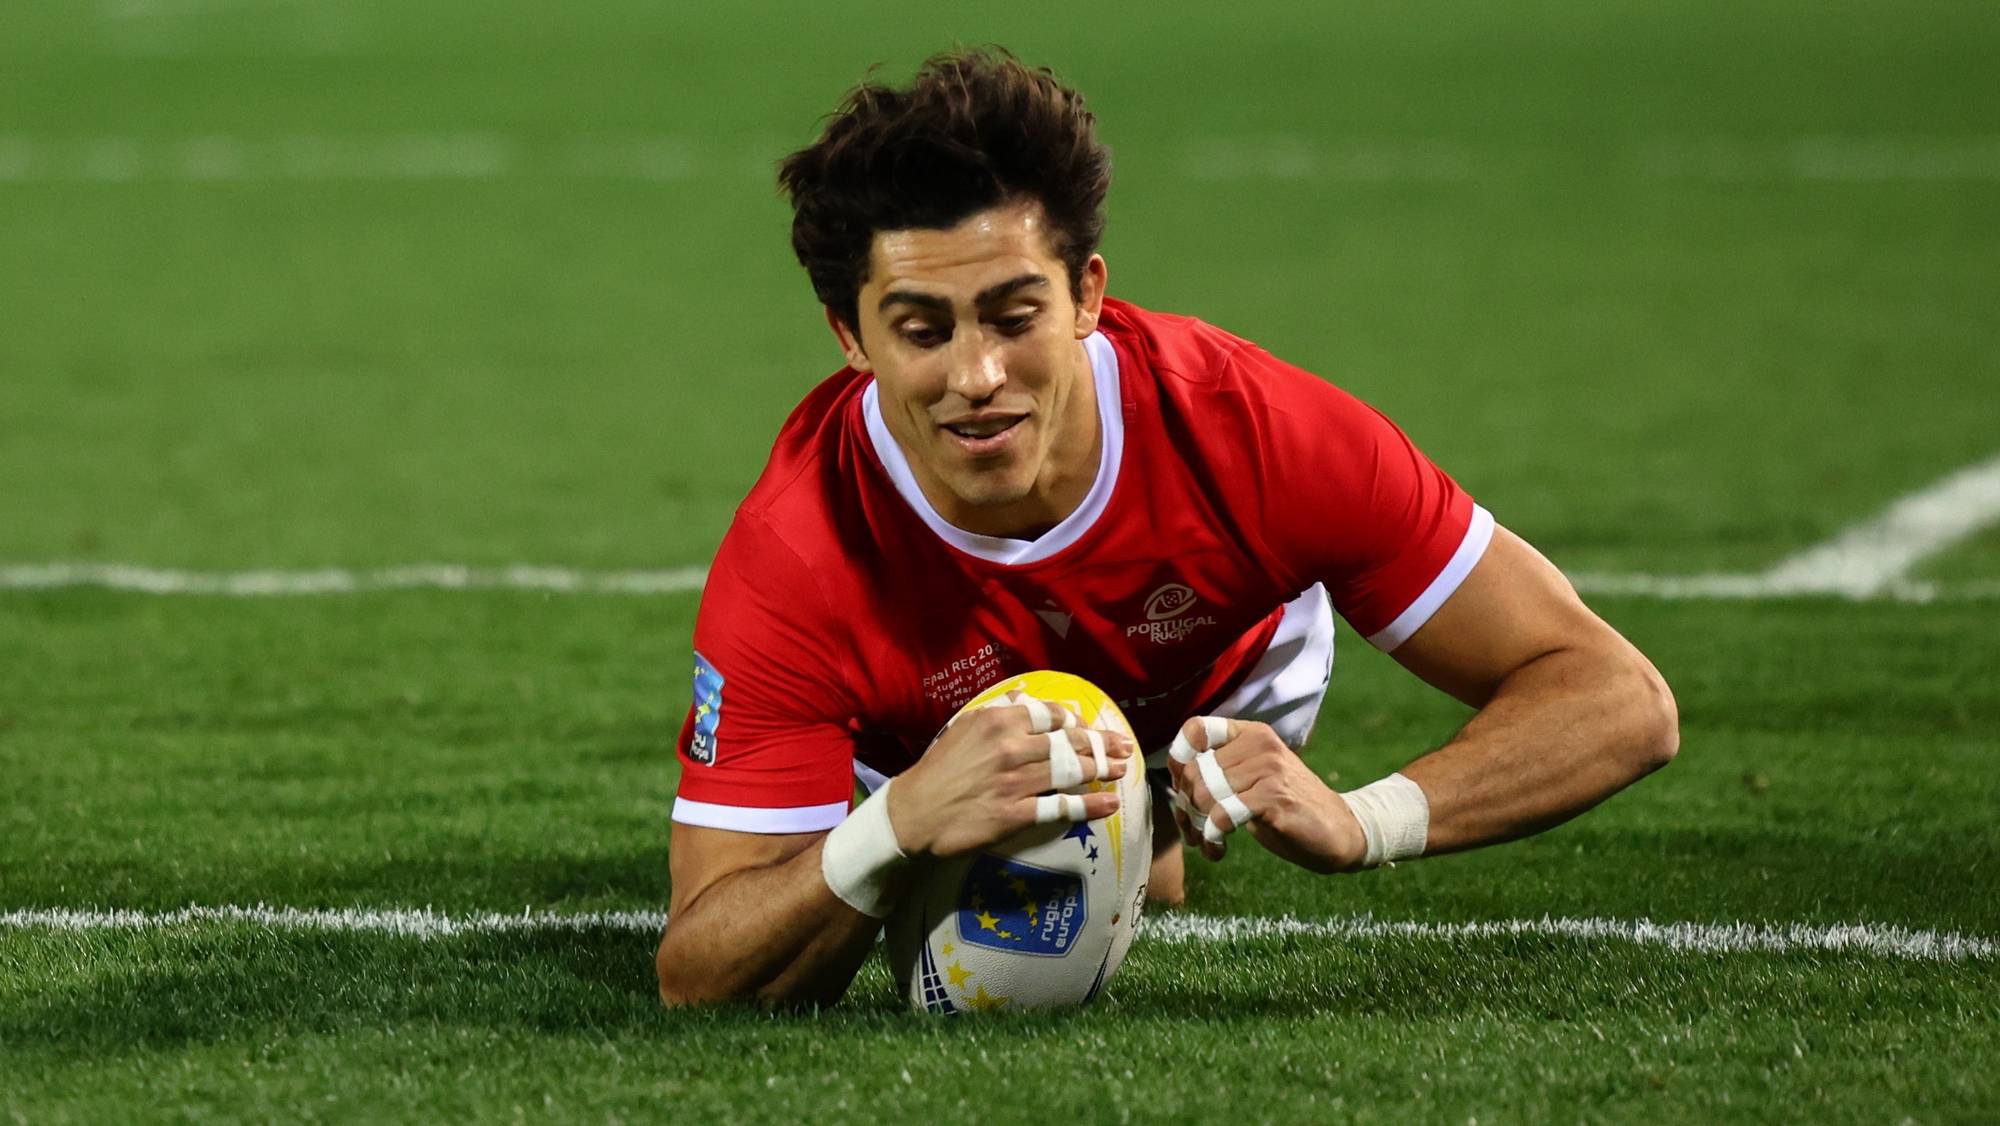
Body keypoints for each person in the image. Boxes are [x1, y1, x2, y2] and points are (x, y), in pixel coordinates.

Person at [655, 48, 1678, 1008]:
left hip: (1207, 686)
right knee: (969, 907)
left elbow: (1616, 699)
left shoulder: (1256, 432)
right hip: (926, 747)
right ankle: (1099, 835)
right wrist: (892, 825)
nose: (976, 378)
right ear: (850, 336)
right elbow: (696, 970)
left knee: (1117, 879)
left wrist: (1364, 819)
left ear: (1086, 296)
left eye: (1015, 316)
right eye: (922, 331)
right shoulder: (797, 549)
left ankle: (1152, 813)